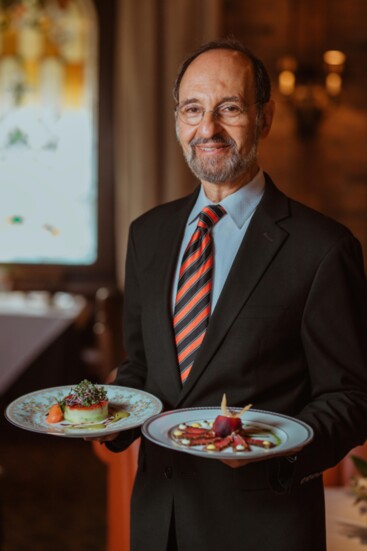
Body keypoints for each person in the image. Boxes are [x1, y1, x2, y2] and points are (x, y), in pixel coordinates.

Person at [98, 39, 367, 550]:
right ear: (177, 119)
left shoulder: (324, 248)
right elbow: (142, 366)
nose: (208, 129)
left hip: (264, 527)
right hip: (159, 521)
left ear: (264, 118)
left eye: (230, 108)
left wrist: (279, 452)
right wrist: (111, 414)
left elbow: (351, 397)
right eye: (193, 109)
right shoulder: (147, 234)